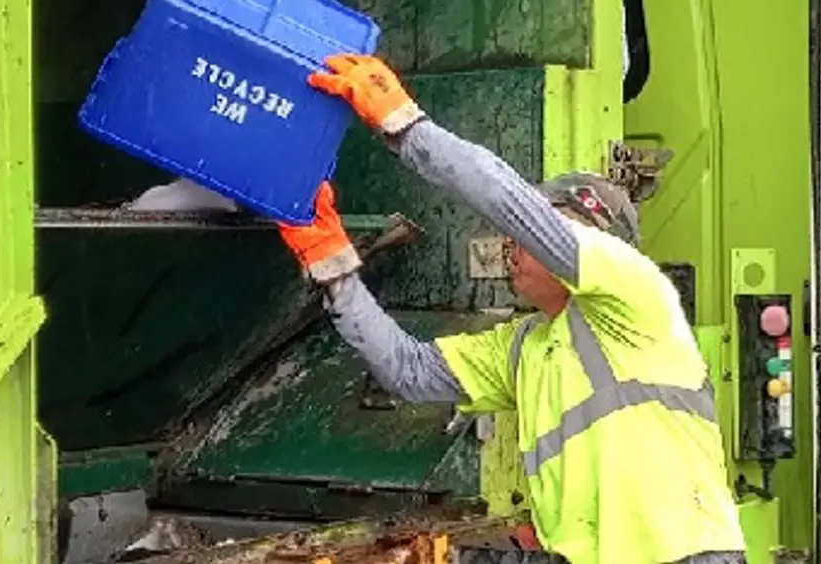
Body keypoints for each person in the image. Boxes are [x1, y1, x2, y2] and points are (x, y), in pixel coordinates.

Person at [275, 53, 747, 564]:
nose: (513, 242)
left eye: (542, 229)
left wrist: (406, 126)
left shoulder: (636, 296)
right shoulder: (527, 347)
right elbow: (408, 371)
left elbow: (507, 201)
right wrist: (334, 270)